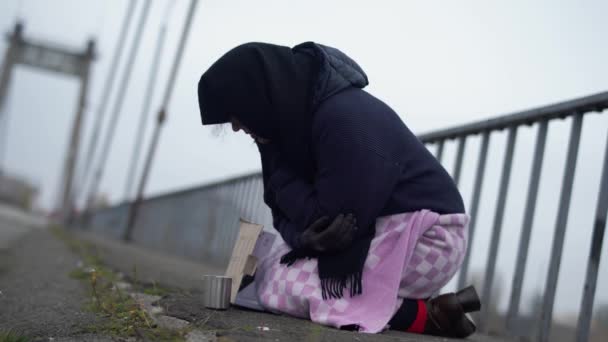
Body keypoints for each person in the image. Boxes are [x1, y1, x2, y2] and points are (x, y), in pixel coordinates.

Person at [197, 42, 481, 338]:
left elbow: (330, 222)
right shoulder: (280, 131)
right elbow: (284, 217)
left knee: (280, 287)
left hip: (428, 240)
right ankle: (438, 308)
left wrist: (282, 179)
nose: (236, 128)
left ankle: (428, 316)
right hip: (377, 234)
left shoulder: (344, 118)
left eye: (235, 116)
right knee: (268, 268)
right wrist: (303, 238)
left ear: (256, 97)